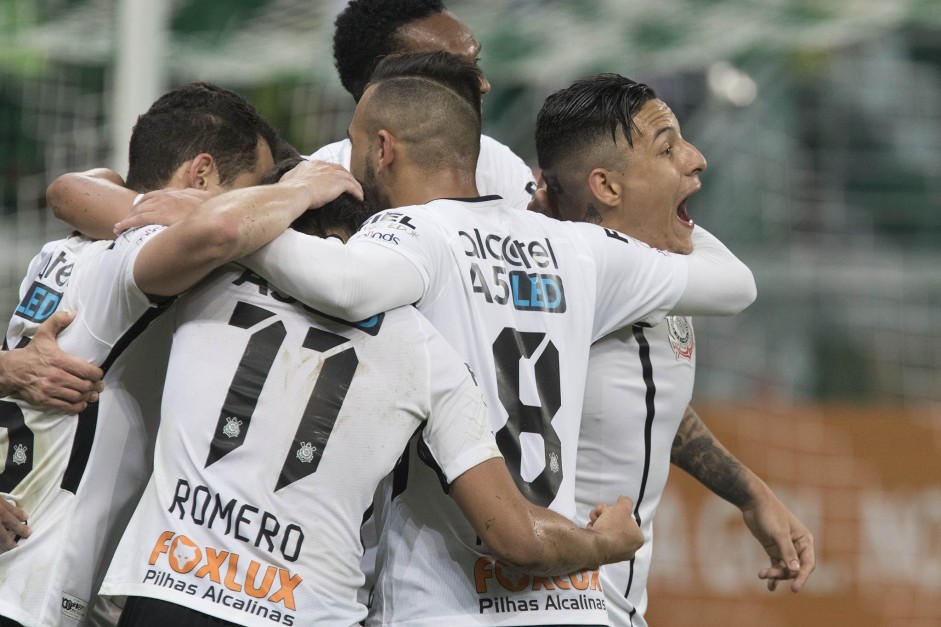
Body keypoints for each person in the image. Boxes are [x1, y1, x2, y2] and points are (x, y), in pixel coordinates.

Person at [131, 51, 753, 625]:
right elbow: (734, 285)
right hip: (561, 594)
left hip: (442, 597)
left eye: (352, 147)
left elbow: (343, 284)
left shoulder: (413, 234)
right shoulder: (579, 247)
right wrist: (668, 218)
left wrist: (210, 220)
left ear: (382, 149)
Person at [95, 157, 645, 627]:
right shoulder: (430, 351)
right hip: (312, 610)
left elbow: (75, 195)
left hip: (172, 587)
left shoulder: (203, 269)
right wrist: (607, 545)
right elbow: (517, 540)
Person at [0, 81, 315, 627]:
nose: (255, 202)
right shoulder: (137, 253)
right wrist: (307, 188)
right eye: (249, 187)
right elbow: (218, 230)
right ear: (202, 175)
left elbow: (82, 187)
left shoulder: (63, 248)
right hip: (39, 582)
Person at [532, 73, 816, 626]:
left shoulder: (638, 262)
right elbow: (739, 285)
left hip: (592, 601)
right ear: (607, 188)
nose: (696, 158)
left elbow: (645, 396)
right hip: (567, 603)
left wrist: (749, 491)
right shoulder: (603, 260)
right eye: (667, 148)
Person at [309, 0, 536, 209]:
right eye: (454, 73)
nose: (483, 85)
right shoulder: (315, 187)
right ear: (380, 91)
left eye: (475, 62)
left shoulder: (496, 160)